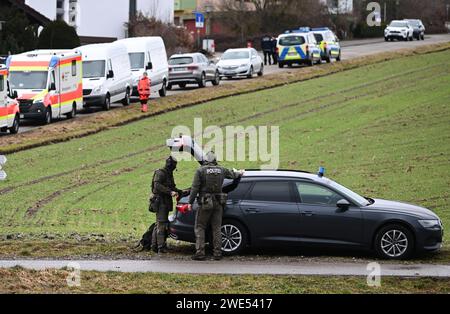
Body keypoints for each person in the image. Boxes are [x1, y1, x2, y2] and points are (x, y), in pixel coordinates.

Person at [187, 152, 244, 261]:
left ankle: (200, 253)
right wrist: (240, 172)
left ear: (206, 160)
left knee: (200, 227)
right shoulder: (221, 169)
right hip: (218, 203)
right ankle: (217, 253)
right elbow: (233, 174)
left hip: (205, 203)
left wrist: (190, 202)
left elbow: (195, 188)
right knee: (217, 228)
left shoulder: (200, 171)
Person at [150, 156, 182, 253]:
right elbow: (157, 185)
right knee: (161, 224)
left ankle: (155, 246)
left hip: (165, 201)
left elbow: (172, 187)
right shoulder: (160, 173)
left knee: (159, 224)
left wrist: (181, 191)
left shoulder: (168, 174)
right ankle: (160, 247)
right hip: (160, 202)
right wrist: (170, 192)